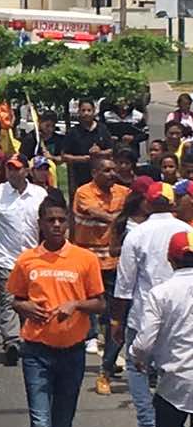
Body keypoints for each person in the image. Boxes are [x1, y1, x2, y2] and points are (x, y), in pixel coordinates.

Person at [8, 198, 105, 427]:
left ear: (68, 224)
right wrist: (26, 307)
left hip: (72, 353)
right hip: (37, 352)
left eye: (62, 220)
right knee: (41, 425)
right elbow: (14, 297)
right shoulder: (27, 260)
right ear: (41, 223)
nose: (57, 225)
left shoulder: (84, 259)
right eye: (51, 220)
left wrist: (76, 304)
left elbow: (99, 302)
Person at [114, 182, 193, 427]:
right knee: (177, 367)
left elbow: (125, 283)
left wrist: (117, 319)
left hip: (144, 311)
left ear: (146, 203)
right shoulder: (187, 231)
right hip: (182, 313)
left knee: (137, 367)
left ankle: (149, 425)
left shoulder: (137, 234)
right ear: (172, 203)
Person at [131, 230, 193, 427]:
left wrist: (137, 357)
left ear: (171, 259)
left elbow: (143, 343)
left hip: (174, 383)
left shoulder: (161, 292)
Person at [72, 157, 129, 392]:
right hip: (89, 264)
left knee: (116, 319)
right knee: (91, 313)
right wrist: (123, 218)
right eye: (106, 170)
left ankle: (107, 366)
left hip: (116, 264)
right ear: (94, 172)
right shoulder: (84, 193)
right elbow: (98, 214)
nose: (111, 173)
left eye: (114, 169)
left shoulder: (124, 192)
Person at [0, 155, 47, 366]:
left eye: (17, 168)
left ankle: (31, 337)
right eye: (9, 168)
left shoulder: (39, 194)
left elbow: (45, 226)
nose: (13, 172)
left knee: (32, 301)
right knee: (8, 300)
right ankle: (11, 341)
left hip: (34, 259)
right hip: (5, 258)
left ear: (26, 171)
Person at [63, 99, 113, 194]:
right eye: (83, 110)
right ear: (79, 112)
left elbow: (111, 150)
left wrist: (100, 153)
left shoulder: (102, 129)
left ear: (94, 112)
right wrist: (82, 159)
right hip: (81, 175)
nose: (86, 113)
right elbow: (64, 155)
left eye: (89, 110)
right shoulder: (73, 132)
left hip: (101, 174)